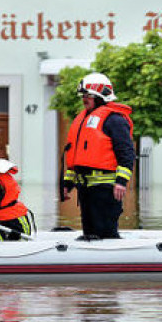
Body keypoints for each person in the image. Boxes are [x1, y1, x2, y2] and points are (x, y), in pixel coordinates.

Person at [61, 72, 135, 239]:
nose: (84, 100)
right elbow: (77, 160)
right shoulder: (84, 119)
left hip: (105, 189)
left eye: (88, 96)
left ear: (101, 96)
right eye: (83, 96)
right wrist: (67, 183)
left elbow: (127, 153)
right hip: (86, 189)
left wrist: (121, 182)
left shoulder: (114, 120)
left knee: (105, 234)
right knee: (90, 234)